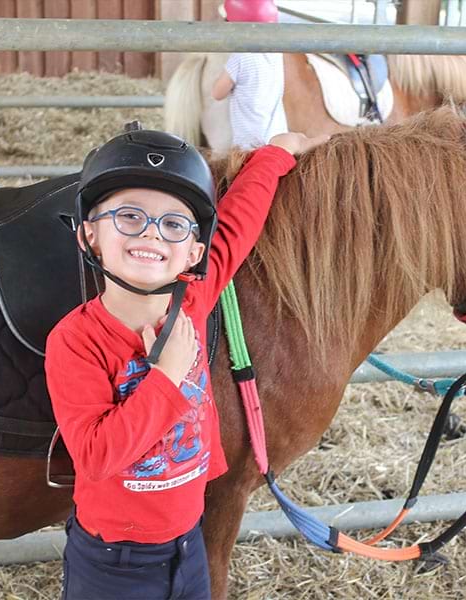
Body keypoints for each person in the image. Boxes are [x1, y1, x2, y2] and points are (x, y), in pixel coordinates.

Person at [45, 125, 327, 600]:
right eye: (129, 216)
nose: (152, 232)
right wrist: (168, 376)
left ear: (194, 252)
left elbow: (239, 222)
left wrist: (276, 154)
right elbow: (94, 456)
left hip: (188, 544)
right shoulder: (76, 341)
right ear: (89, 234)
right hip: (115, 563)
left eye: (174, 224)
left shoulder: (193, 301)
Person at [211, 0, 288, 150]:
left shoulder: (240, 57)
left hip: (249, 143)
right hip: (278, 137)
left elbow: (217, 93)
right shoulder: (277, 52)